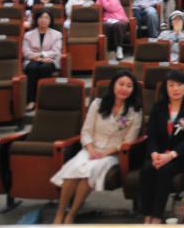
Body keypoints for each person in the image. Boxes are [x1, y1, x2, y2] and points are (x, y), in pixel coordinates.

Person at [50, 70, 143, 224]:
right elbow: (86, 131)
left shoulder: (135, 112)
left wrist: (106, 152)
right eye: (121, 84)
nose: (124, 88)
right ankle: (60, 213)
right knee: (74, 168)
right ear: (113, 85)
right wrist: (91, 149)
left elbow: (128, 140)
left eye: (129, 86)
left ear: (133, 90)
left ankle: (71, 214)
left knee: (90, 171)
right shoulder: (97, 104)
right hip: (91, 148)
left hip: (113, 154)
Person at [138, 70, 184, 224]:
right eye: (171, 85)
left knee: (164, 171)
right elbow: (151, 135)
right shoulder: (158, 107)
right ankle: (147, 215)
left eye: (179, 85)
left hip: (179, 156)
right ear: (165, 88)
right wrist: (154, 154)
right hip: (158, 155)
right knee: (147, 170)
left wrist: (171, 155)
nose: (175, 89)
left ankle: (157, 216)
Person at [22, 8, 63, 111]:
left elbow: (55, 51)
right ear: (36, 19)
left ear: (50, 20)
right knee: (32, 68)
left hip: (50, 60)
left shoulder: (57, 34)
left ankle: (45, 99)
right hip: (32, 60)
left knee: (45, 67)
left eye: (46, 18)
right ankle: (31, 100)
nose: (43, 20)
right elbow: (26, 52)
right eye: (41, 17)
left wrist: (41, 55)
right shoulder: (28, 35)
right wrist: (40, 58)